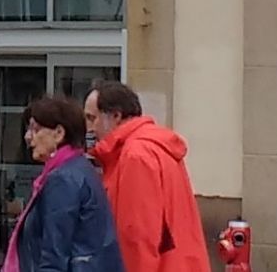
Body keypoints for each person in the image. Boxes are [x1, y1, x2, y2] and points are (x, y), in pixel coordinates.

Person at [0, 96, 123, 272]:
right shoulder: (77, 169)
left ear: (59, 133)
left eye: (35, 129)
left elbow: (54, 257)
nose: (28, 137)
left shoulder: (63, 179)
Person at [84, 82, 209, 272]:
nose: (89, 129)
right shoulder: (155, 147)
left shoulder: (135, 155)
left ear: (116, 116)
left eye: (92, 118)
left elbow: (137, 237)